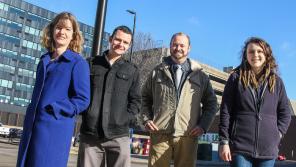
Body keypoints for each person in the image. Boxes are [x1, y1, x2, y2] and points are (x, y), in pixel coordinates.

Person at [16, 12, 90, 167]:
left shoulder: (77, 62)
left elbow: (82, 99)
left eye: (67, 29)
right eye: (59, 27)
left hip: (54, 130)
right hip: (32, 127)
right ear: (52, 30)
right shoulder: (44, 60)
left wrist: (55, 109)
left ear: (73, 35)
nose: (62, 32)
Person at [141, 32, 218, 167]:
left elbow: (211, 104)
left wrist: (203, 126)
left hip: (188, 136)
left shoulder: (200, 75)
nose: (178, 48)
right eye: (175, 44)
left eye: (182, 45)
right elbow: (144, 98)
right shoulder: (156, 72)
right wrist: (146, 119)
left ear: (189, 48)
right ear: (170, 46)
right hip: (159, 134)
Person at [219, 37, 292, 167]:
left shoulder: (276, 82)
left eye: (260, 51)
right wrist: (224, 142)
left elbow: (285, 112)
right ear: (246, 55)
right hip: (240, 147)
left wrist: (277, 134)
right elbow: (226, 111)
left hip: (267, 150)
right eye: (251, 52)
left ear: (266, 55)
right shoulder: (235, 78)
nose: (255, 55)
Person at [77, 25, 141, 167]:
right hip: (91, 135)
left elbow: (136, 101)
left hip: (119, 135)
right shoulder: (90, 64)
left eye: (125, 43)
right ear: (110, 39)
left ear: (129, 46)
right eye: (118, 40)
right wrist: (88, 113)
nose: (121, 44)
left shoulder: (132, 70)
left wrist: (123, 119)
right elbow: (79, 93)